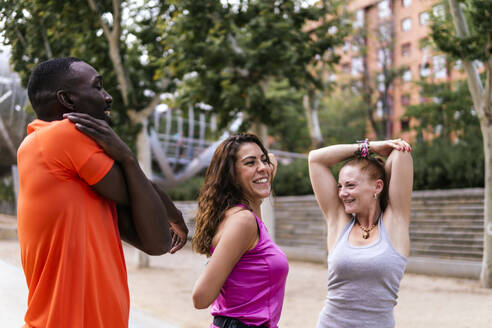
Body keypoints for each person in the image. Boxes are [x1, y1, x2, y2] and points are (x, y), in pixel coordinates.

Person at [16, 57, 188, 328]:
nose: (107, 97)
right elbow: (147, 210)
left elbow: (157, 243)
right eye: (97, 87)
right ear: (68, 100)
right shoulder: (59, 135)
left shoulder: (44, 150)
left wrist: (127, 162)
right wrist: (128, 159)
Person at [308, 138, 413, 328]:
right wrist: (368, 147)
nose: (342, 193)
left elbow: (400, 153)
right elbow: (315, 159)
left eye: (350, 185)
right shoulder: (339, 222)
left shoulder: (394, 223)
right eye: (340, 186)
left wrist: (381, 153)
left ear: (378, 187)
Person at [191, 133, 289, 328]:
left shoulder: (241, 211)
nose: (262, 167)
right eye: (250, 163)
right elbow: (200, 297)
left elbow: (271, 162)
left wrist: (258, 166)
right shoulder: (243, 222)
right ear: (232, 175)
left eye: (263, 160)